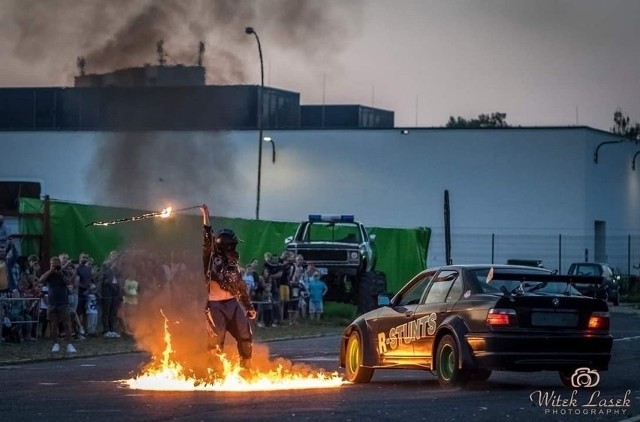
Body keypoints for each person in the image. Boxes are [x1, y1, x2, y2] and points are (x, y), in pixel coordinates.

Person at [200, 204, 256, 369]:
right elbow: (207, 238)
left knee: (245, 336)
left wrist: (248, 306)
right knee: (216, 340)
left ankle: (246, 369)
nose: (234, 248)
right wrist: (206, 215)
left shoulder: (234, 264)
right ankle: (215, 372)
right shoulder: (210, 258)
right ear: (225, 245)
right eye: (231, 245)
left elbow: (240, 286)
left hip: (233, 303)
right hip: (215, 306)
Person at [39, 256, 76, 354]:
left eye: (56, 264)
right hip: (52, 303)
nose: (55, 266)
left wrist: (60, 273)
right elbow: (41, 280)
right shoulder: (49, 275)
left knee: (67, 324)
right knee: (53, 324)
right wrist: (51, 271)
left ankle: (69, 344)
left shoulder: (63, 273)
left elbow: (69, 282)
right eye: (52, 264)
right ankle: (55, 343)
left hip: (63, 302)